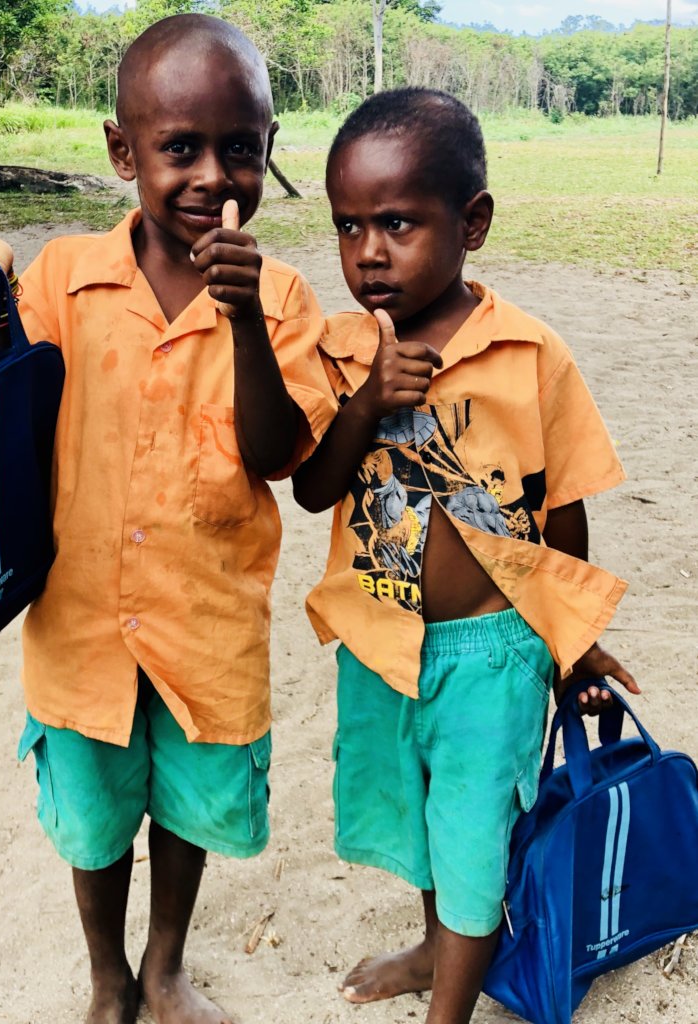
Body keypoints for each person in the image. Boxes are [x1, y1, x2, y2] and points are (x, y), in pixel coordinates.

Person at [0, 15, 334, 1024]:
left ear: (269, 151)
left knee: (190, 808)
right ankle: (109, 977)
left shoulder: (280, 299)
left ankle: (165, 968)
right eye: (179, 148)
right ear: (123, 152)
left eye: (239, 147)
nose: (210, 176)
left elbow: (277, 454)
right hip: (83, 628)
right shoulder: (63, 277)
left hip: (205, 623)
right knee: (98, 818)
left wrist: (241, 320)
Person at [292, 87, 641, 1024]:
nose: (368, 251)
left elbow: (561, 514)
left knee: (474, 842)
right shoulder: (338, 353)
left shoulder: (530, 353)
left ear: (471, 222)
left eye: (398, 222)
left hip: (492, 653)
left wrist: (573, 646)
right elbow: (313, 489)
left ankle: (450, 1010)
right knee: (418, 824)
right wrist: (366, 401)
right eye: (348, 226)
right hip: (380, 644)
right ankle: (433, 945)